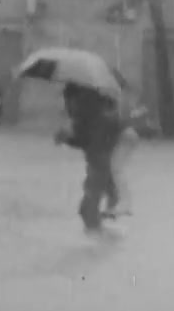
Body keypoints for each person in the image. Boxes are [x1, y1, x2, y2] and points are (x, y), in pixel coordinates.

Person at [54, 83, 125, 236]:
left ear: (73, 98)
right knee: (91, 204)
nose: (66, 105)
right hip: (101, 159)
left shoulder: (87, 112)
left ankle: (100, 240)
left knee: (88, 209)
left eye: (67, 100)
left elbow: (86, 140)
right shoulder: (96, 108)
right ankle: (104, 231)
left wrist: (66, 138)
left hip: (99, 160)